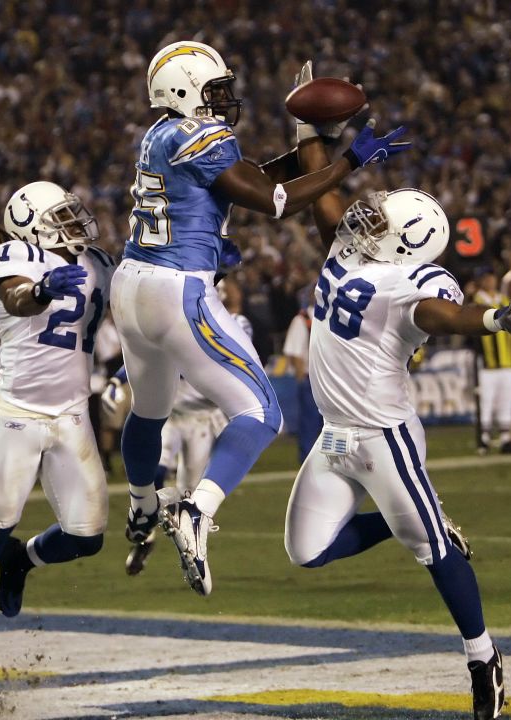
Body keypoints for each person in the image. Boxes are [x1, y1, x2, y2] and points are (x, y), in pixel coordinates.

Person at [284, 66, 511, 719]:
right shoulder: (348, 250)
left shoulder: (416, 284)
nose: (362, 219)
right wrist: (307, 130)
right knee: (307, 551)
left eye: (378, 221)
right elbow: (319, 194)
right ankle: (421, 520)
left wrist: (491, 318)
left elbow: (440, 317)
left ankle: (484, 659)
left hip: (384, 437)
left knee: (433, 555)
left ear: (407, 245)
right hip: (335, 435)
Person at [112, 40, 412, 596]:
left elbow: (244, 177)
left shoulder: (159, 135)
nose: (226, 100)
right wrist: (347, 161)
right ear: (184, 90)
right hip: (179, 286)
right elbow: (272, 199)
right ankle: (196, 510)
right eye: (215, 89)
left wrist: (311, 149)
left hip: (132, 285)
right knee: (261, 410)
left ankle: (140, 505)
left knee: (149, 410)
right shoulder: (198, 134)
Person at [0, 181, 116, 661]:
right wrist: (42, 289)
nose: (72, 224)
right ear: (29, 226)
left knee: (87, 538)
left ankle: (23, 560)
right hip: (19, 411)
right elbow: (18, 297)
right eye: (58, 217)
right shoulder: (11, 256)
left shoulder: (99, 264)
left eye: (71, 213)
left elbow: (136, 306)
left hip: (72, 415)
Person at [106, 280, 254, 576]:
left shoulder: (236, 323)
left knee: (190, 495)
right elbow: (152, 351)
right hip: (170, 414)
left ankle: (188, 551)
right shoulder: (178, 316)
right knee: (155, 473)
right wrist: (118, 378)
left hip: (204, 418)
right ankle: (145, 533)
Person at [472, 270, 511, 454]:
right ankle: (483, 438)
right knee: (486, 401)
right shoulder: (476, 301)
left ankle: (506, 438)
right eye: (487, 278)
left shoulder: (504, 300)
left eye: (492, 277)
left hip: (507, 360)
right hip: (486, 361)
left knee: (506, 400)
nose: (490, 281)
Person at [282, 301, 324, 462]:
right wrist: (302, 379)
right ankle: (307, 461)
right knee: (309, 424)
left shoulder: (334, 315)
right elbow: (294, 352)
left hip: (331, 379)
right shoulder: (302, 319)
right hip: (311, 378)